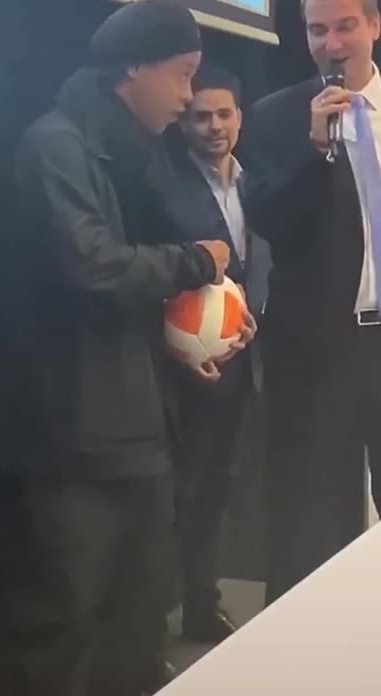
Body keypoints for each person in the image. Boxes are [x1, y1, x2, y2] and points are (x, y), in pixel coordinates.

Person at [0, 3, 239, 696]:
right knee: (62, 625)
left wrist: (186, 337)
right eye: (183, 75)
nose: (187, 96)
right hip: (68, 440)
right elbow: (92, 266)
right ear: (134, 68)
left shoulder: (137, 153)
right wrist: (195, 262)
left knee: (139, 620)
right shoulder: (56, 145)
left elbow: (131, 288)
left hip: (137, 432)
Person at [243, 0, 381, 606]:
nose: (331, 43)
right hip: (319, 349)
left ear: (375, 25)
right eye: (316, 30)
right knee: (312, 519)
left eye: (345, 26)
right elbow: (271, 223)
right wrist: (317, 149)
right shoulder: (276, 116)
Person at [165, 62, 270, 642]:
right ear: (184, 124)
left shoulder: (257, 184)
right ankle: (149, 624)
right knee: (176, 495)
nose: (213, 127)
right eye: (200, 116)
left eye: (223, 114)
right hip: (184, 370)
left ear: (240, 117)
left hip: (243, 364)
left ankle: (202, 606)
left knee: (216, 493)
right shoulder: (163, 187)